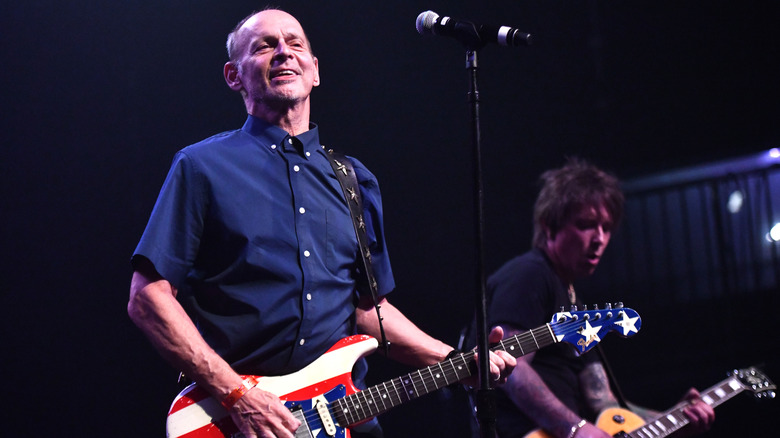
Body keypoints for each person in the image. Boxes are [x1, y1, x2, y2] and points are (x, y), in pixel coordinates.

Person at [127, 8, 515, 438]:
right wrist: (236, 394)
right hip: (239, 419)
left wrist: (455, 363)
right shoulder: (202, 166)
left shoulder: (355, 180)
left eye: (295, 44)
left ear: (315, 71)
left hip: (343, 417)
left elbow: (370, 312)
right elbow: (149, 299)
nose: (283, 53)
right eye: (264, 46)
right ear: (234, 76)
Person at [485, 159, 715, 438]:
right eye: (586, 225)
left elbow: (603, 401)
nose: (599, 238)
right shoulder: (530, 274)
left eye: (606, 228)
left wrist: (676, 417)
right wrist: (574, 428)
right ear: (549, 226)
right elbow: (512, 366)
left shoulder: (573, 301)